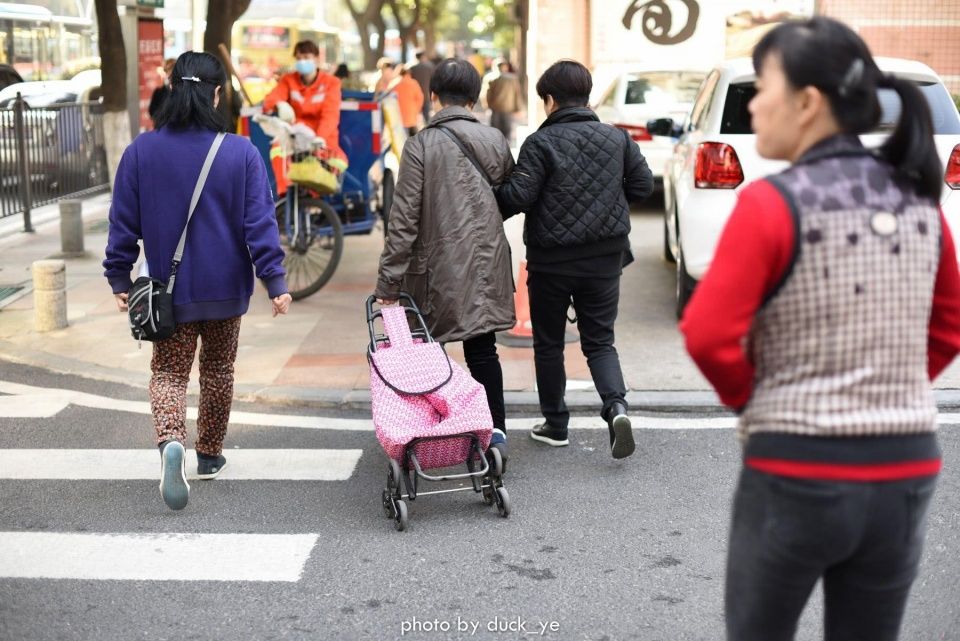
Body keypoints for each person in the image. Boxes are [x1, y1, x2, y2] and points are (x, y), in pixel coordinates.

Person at [680, 17, 960, 641]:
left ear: (807, 103)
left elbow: (706, 334)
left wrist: (763, 402)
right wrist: (886, 388)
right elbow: (948, 328)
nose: (753, 103)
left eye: (763, 86)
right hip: (906, 468)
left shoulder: (771, 203)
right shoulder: (920, 202)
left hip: (797, 468)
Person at [103, 52, 292, 511]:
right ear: (217, 93)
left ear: (173, 89)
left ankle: (171, 442)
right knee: (219, 372)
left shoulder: (140, 152)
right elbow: (259, 224)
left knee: (168, 372)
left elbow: (123, 224)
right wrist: (275, 280)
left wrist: (118, 274)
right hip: (227, 288)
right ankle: (208, 455)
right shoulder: (241, 152)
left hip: (168, 293)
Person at [495, 60, 653, 459]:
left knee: (548, 344)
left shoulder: (539, 143)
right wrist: (606, 204)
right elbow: (643, 185)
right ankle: (616, 408)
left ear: (550, 100)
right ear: (586, 96)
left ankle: (555, 425)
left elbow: (517, 198)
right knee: (600, 342)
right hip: (605, 258)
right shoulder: (616, 139)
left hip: (551, 263)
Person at [375, 58, 516, 464]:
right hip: (487, 262)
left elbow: (402, 221)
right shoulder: (493, 139)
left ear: (433, 96)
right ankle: (496, 434)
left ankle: (437, 436)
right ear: (474, 98)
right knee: (484, 349)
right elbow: (505, 196)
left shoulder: (420, 145)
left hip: (434, 267)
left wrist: (389, 285)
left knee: (428, 352)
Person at [263, 40, 345, 166]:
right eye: (298, 58)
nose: (302, 62)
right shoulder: (288, 80)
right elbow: (271, 99)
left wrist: (320, 137)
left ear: (317, 59)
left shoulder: (331, 83)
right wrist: (279, 104)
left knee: (337, 163)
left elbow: (330, 115)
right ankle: (284, 186)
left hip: (323, 138)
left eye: (306, 57)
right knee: (277, 151)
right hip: (295, 136)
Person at [486, 60, 524, 142]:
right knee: (507, 130)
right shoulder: (513, 78)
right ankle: (506, 147)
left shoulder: (490, 78)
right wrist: (518, 108)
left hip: (495, 108)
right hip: (508, 108)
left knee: (494, 130)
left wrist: (487, 106)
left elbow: (486, 94)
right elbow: (517, 94)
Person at [408, 51, 435, 124]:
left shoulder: (412, 68)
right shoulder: (430, 67)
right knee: (427, 117)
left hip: (415, 96)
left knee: (414, 117)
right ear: (423, 56)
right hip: (427, 95)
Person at [148, 58, 176, 125]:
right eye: (168, 69)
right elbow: (152, 112)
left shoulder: (184, 92)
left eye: (173, 68)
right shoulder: (158, 93)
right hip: (162, 129)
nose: (171, 72)